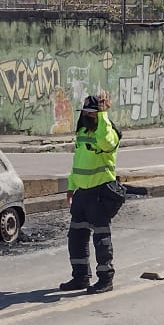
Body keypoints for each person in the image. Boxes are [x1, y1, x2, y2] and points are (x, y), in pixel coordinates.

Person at [59, 93, 122, 294]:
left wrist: (103, 115)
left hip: (100, 192)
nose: (87, 115)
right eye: (85, 112)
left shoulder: (109, 133)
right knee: (76, 236)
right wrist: (71, 186)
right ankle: (81, 277)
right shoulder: (82, 131)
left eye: (91, 113)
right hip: (82, 194)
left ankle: (106, 279)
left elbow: (105, 143)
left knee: (101, 238)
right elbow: (77, 162)